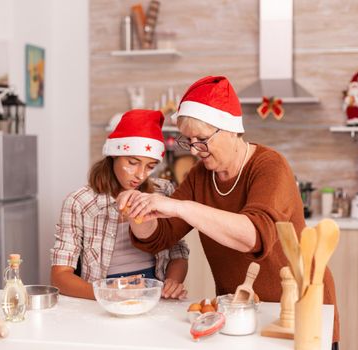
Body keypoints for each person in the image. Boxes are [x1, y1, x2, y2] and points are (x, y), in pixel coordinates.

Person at [117, 76, 340, 346]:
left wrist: (180, 206)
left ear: (231, 130)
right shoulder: (200, 176)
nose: (196, 150)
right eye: (188, 141)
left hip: (295, 307)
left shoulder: (270, 166)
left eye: (202, 139)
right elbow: (162, 235)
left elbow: (254, 236)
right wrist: (138, 212)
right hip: (239, 310)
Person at [50, 109, 189, 300]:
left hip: (152, 292)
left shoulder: (162, 192)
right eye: (133, 162)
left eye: (150, 166)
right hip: (101, 295)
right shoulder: (80, 202)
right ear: (114, 154)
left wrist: (173, 282)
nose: (140, 175)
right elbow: (59, 277)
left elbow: (178, 252)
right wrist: (109, 293)